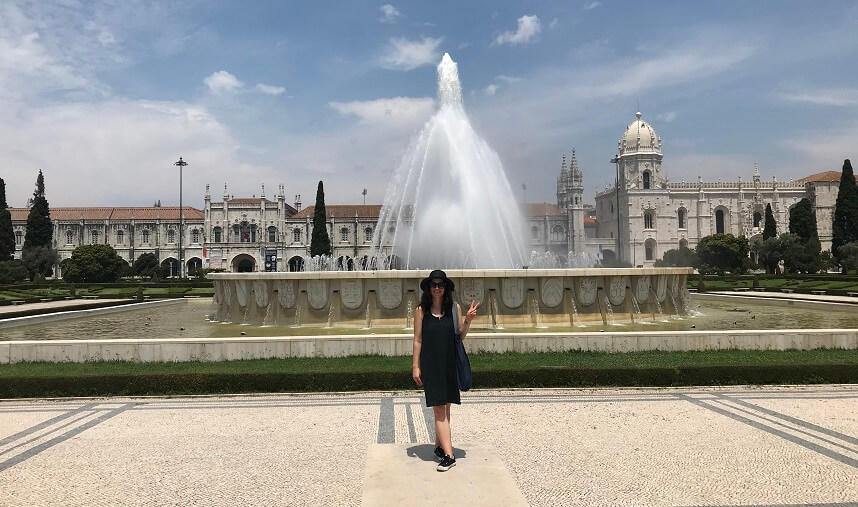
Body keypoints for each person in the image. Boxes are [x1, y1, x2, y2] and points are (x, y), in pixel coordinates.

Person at [412, 269, 481, 472]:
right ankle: (450, 455)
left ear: (445, 288)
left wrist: (468, 320)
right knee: (439, 408)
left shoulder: (454, 308)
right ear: (428, 288)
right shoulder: (421, 310)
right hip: (431, 364)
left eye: (440, 284)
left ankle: (440, 447)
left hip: (449, 362)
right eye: (433, 284)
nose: (437, 288)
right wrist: (416, 366)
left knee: (445, 407)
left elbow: (459, 336)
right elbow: (417, 340)